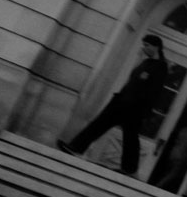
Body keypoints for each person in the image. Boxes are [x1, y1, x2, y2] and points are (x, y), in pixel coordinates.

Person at [60, 35, 172, 174]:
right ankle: (75, 147)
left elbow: (154, 92)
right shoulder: (146, 62)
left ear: (157, 46)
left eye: (147, 45)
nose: (144, 48)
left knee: (130, 136)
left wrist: (143, 110)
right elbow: (132, 81)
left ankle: (129, 168)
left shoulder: (161, 67)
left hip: (135, 107)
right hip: (121, 101)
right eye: (144, 45)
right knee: (99, 124)